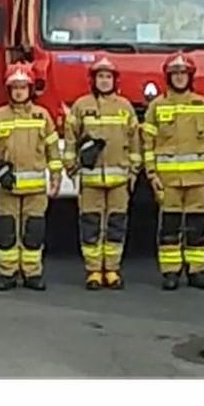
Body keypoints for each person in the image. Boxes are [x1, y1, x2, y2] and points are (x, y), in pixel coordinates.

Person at [143, 53, 204, 291]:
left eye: (183, 73)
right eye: (175, 74)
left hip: (198, 181)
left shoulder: (202, 105)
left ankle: (197, 272)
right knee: (169, 229)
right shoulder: (157, 107)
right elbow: (148, 144)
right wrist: (152, 175)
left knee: (197, 228)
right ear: (168, 77)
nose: (179, 77)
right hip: (167, 182)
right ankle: (171, 272)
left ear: (190, 77)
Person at [64, 57, 142, 290]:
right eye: (100, 76)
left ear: (115, 80)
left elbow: (135, 142)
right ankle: (94, 271)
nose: (104, 81)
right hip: (90, 180)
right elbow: (70, 139)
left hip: (119, 181)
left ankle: (112, 270)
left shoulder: (125, 107)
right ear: (93, 80)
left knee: (116, 225)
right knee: (90, 225)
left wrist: (133, 171)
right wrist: (71, 167)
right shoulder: (81, 106)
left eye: (108, 76)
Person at [0, 65, 61, 291]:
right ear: (9, 90)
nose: (19, 92)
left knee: (33, 232)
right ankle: (7, 274)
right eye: (15, 88)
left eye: (23, 88)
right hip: (6, 188)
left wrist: (56, 177)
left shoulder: (42, 116)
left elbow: (52, 150)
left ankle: (32, 273)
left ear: (30, 89)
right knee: (7, 232)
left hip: (35, 190)